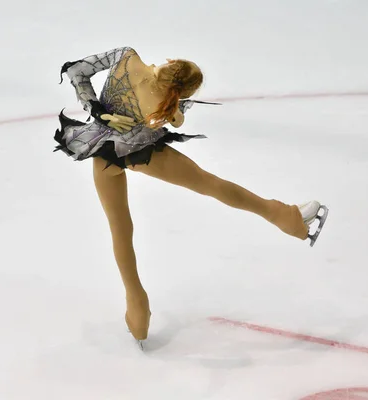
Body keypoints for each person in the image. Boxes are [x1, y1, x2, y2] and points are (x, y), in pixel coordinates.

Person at [54, 47, 328, 347]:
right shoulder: (162, 105)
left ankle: (137, 313)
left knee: (120, 229)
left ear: (170, 62)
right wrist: (178, 106)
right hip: (140, 154)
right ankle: (285, 217)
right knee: (209, 183)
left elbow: (76, 70)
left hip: (101, 153)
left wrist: (97, 110)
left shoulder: (124, 55)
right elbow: (176, 121)